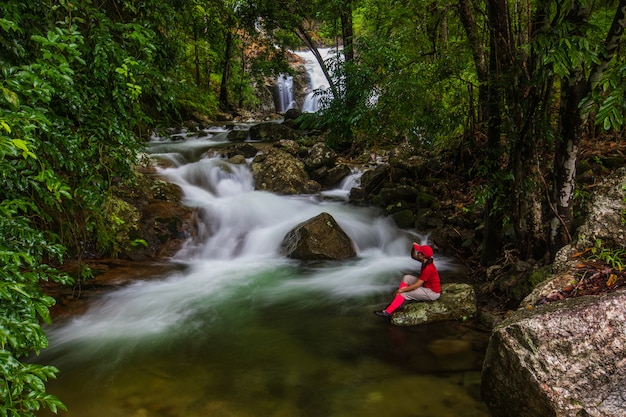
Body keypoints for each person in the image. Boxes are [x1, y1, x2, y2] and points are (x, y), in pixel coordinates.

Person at [373, 242, 441, 318]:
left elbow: (416, 285)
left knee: (404, 293)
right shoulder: (426, 260)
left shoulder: (428, 268)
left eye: (419, 252)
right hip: (426, 285)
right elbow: (413, 256)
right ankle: (399, 301)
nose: (418, 253)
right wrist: (414, 248)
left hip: (432, 293)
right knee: (407, 277)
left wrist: (401, 290)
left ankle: (387, 312)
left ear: (423, 256)